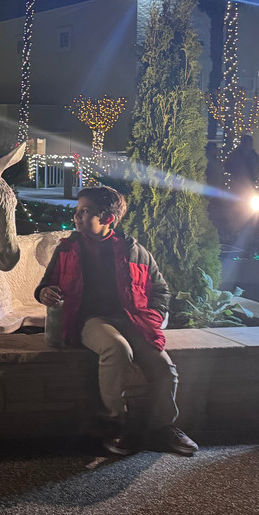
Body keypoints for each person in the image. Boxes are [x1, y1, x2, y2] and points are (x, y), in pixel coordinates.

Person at [35, 186, 197, 457]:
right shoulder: (67, 249)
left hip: (133, 320)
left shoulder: (134, 250)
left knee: (163, 366)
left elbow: (161, 290)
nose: (77, 217)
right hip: (89, 320)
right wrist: (44, 292)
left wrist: (154, 316)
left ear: (108, 218)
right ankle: (113, 423)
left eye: (85, 212)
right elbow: (45, 285)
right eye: (77, 212)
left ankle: (163, 427)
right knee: (116, 348)